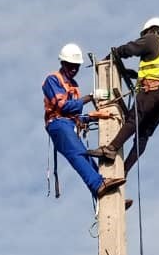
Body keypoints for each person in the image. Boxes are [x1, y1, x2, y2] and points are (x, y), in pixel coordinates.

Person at [88, 17, 159, 173]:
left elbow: (131, 49)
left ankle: (110, 149)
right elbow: (158, 71)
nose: (144, 37)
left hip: (152, 90)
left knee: (133, 118)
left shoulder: (153, 39)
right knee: (142, 136)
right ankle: (125, 171)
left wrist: (113, 55)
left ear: (153, 30)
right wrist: (135, 75)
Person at [43, 43, 123, 201]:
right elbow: (63, 106)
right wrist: (91, 97)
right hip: (58, 124)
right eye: (71, 66)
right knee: (77, 154)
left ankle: (107, 196)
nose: (74, 69)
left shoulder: (73, 86)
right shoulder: (52, 80)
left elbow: (75, 116)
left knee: (86, 157)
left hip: (69, 125)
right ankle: (98, 185)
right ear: (63, 63)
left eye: (76, 66)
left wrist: (94, 116)